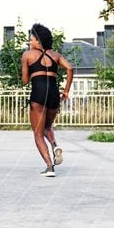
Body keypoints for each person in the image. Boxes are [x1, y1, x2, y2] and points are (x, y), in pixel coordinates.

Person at [21, 23, 74, 177]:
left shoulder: (27, 55)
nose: (30, 42)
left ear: (38, 41)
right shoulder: (55, 55)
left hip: (39, 93)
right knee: (47, 127)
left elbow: (24, 81)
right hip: (53, 93)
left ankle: (50, 167)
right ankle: (55, 146)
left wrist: (28, 71)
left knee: (37, 133)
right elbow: (70, 68)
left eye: (31, 39)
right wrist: (66, 91)